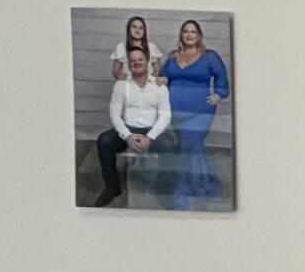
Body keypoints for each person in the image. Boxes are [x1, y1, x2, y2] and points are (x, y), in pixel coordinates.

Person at [158, 18, 230, 208]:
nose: (189, 34)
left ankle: (180, 190)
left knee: (188, 144)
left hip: (201, 112)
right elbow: (163, 76)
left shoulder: (209, 56)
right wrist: (163, 79)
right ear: (181, 35)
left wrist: (219, 94)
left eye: (193, 31)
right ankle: (199, 179)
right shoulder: (173, 56)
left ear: (199, 36)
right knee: (190, 147)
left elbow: (222, 78)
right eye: (185, 31)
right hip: (175, 112)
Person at [97, 45, 173, 205]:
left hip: (151, 130)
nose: (136, 63)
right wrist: (128, 136)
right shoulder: (121, 85)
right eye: (132, 61)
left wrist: (150, 137)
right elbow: (114, 114)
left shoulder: (160, 86)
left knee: (169, 145)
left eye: (140, 59)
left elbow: (165, 115)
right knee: (104, 141)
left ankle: (163, 188)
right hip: (128, 129)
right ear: (129, 64)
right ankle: (112, 187)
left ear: (148, 61)